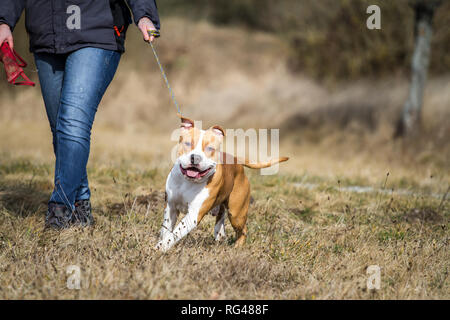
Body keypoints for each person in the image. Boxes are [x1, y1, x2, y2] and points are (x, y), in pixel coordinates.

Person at [0, 0, 160, 229]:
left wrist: (144, 14)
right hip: (46, 32)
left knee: (73, 123)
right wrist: (4, 20)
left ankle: (59, 210)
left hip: (96, 29)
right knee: (61, 129)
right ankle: (80, 206)